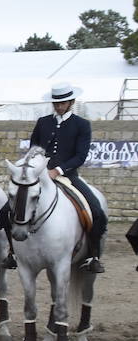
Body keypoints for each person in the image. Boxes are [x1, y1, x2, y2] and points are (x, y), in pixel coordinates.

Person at [24, 83, 107, 272]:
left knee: (97, 212)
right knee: (9, 208)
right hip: (41, 175)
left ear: (71, 102)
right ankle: (12, 252)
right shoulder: (43, 122)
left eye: (63, 103)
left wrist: (58, 170)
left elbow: (80, 155)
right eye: (56, 103)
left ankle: (93, 255)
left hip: (68, 176)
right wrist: (38, 167)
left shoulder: (82, 124)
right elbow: (34, 148)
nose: (59, 106)